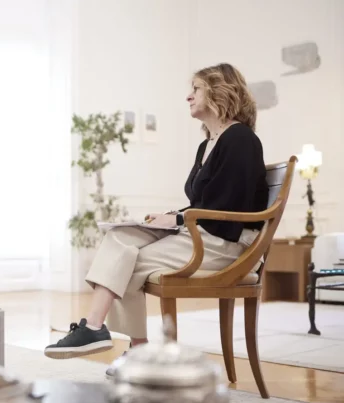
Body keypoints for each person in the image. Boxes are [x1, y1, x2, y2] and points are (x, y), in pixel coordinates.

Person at [44, 63, 268, 366]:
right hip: (204, 233)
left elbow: (230, 207)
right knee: (120, 236)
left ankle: (133, 348)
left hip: (226, 244)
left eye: (196, 89)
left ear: (219, 90)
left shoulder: (240, 139)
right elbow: (207, 202)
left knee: (127, 263)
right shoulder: (208, 145)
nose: (188, 96)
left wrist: (178, 219)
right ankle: (97, 329)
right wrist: (172, 217)